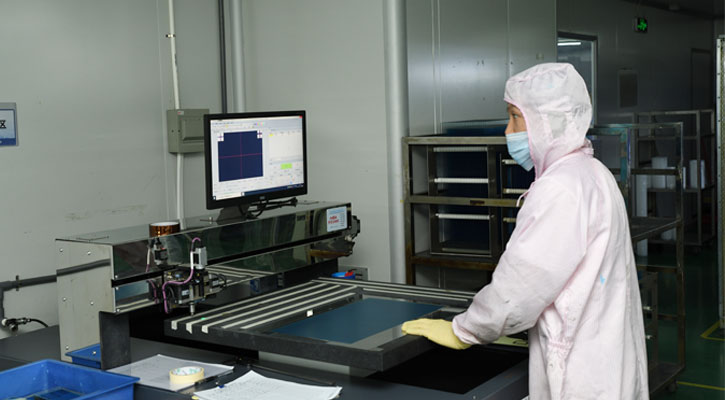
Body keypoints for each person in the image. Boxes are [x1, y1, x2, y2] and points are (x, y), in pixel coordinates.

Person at [402, 63, 649, 399]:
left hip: (580, 372)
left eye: (515, 117)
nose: (508, 130)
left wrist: (465, 330)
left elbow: (520, 286)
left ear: (547, 121)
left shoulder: (559, 188)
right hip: (606, 357)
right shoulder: (593, 173)